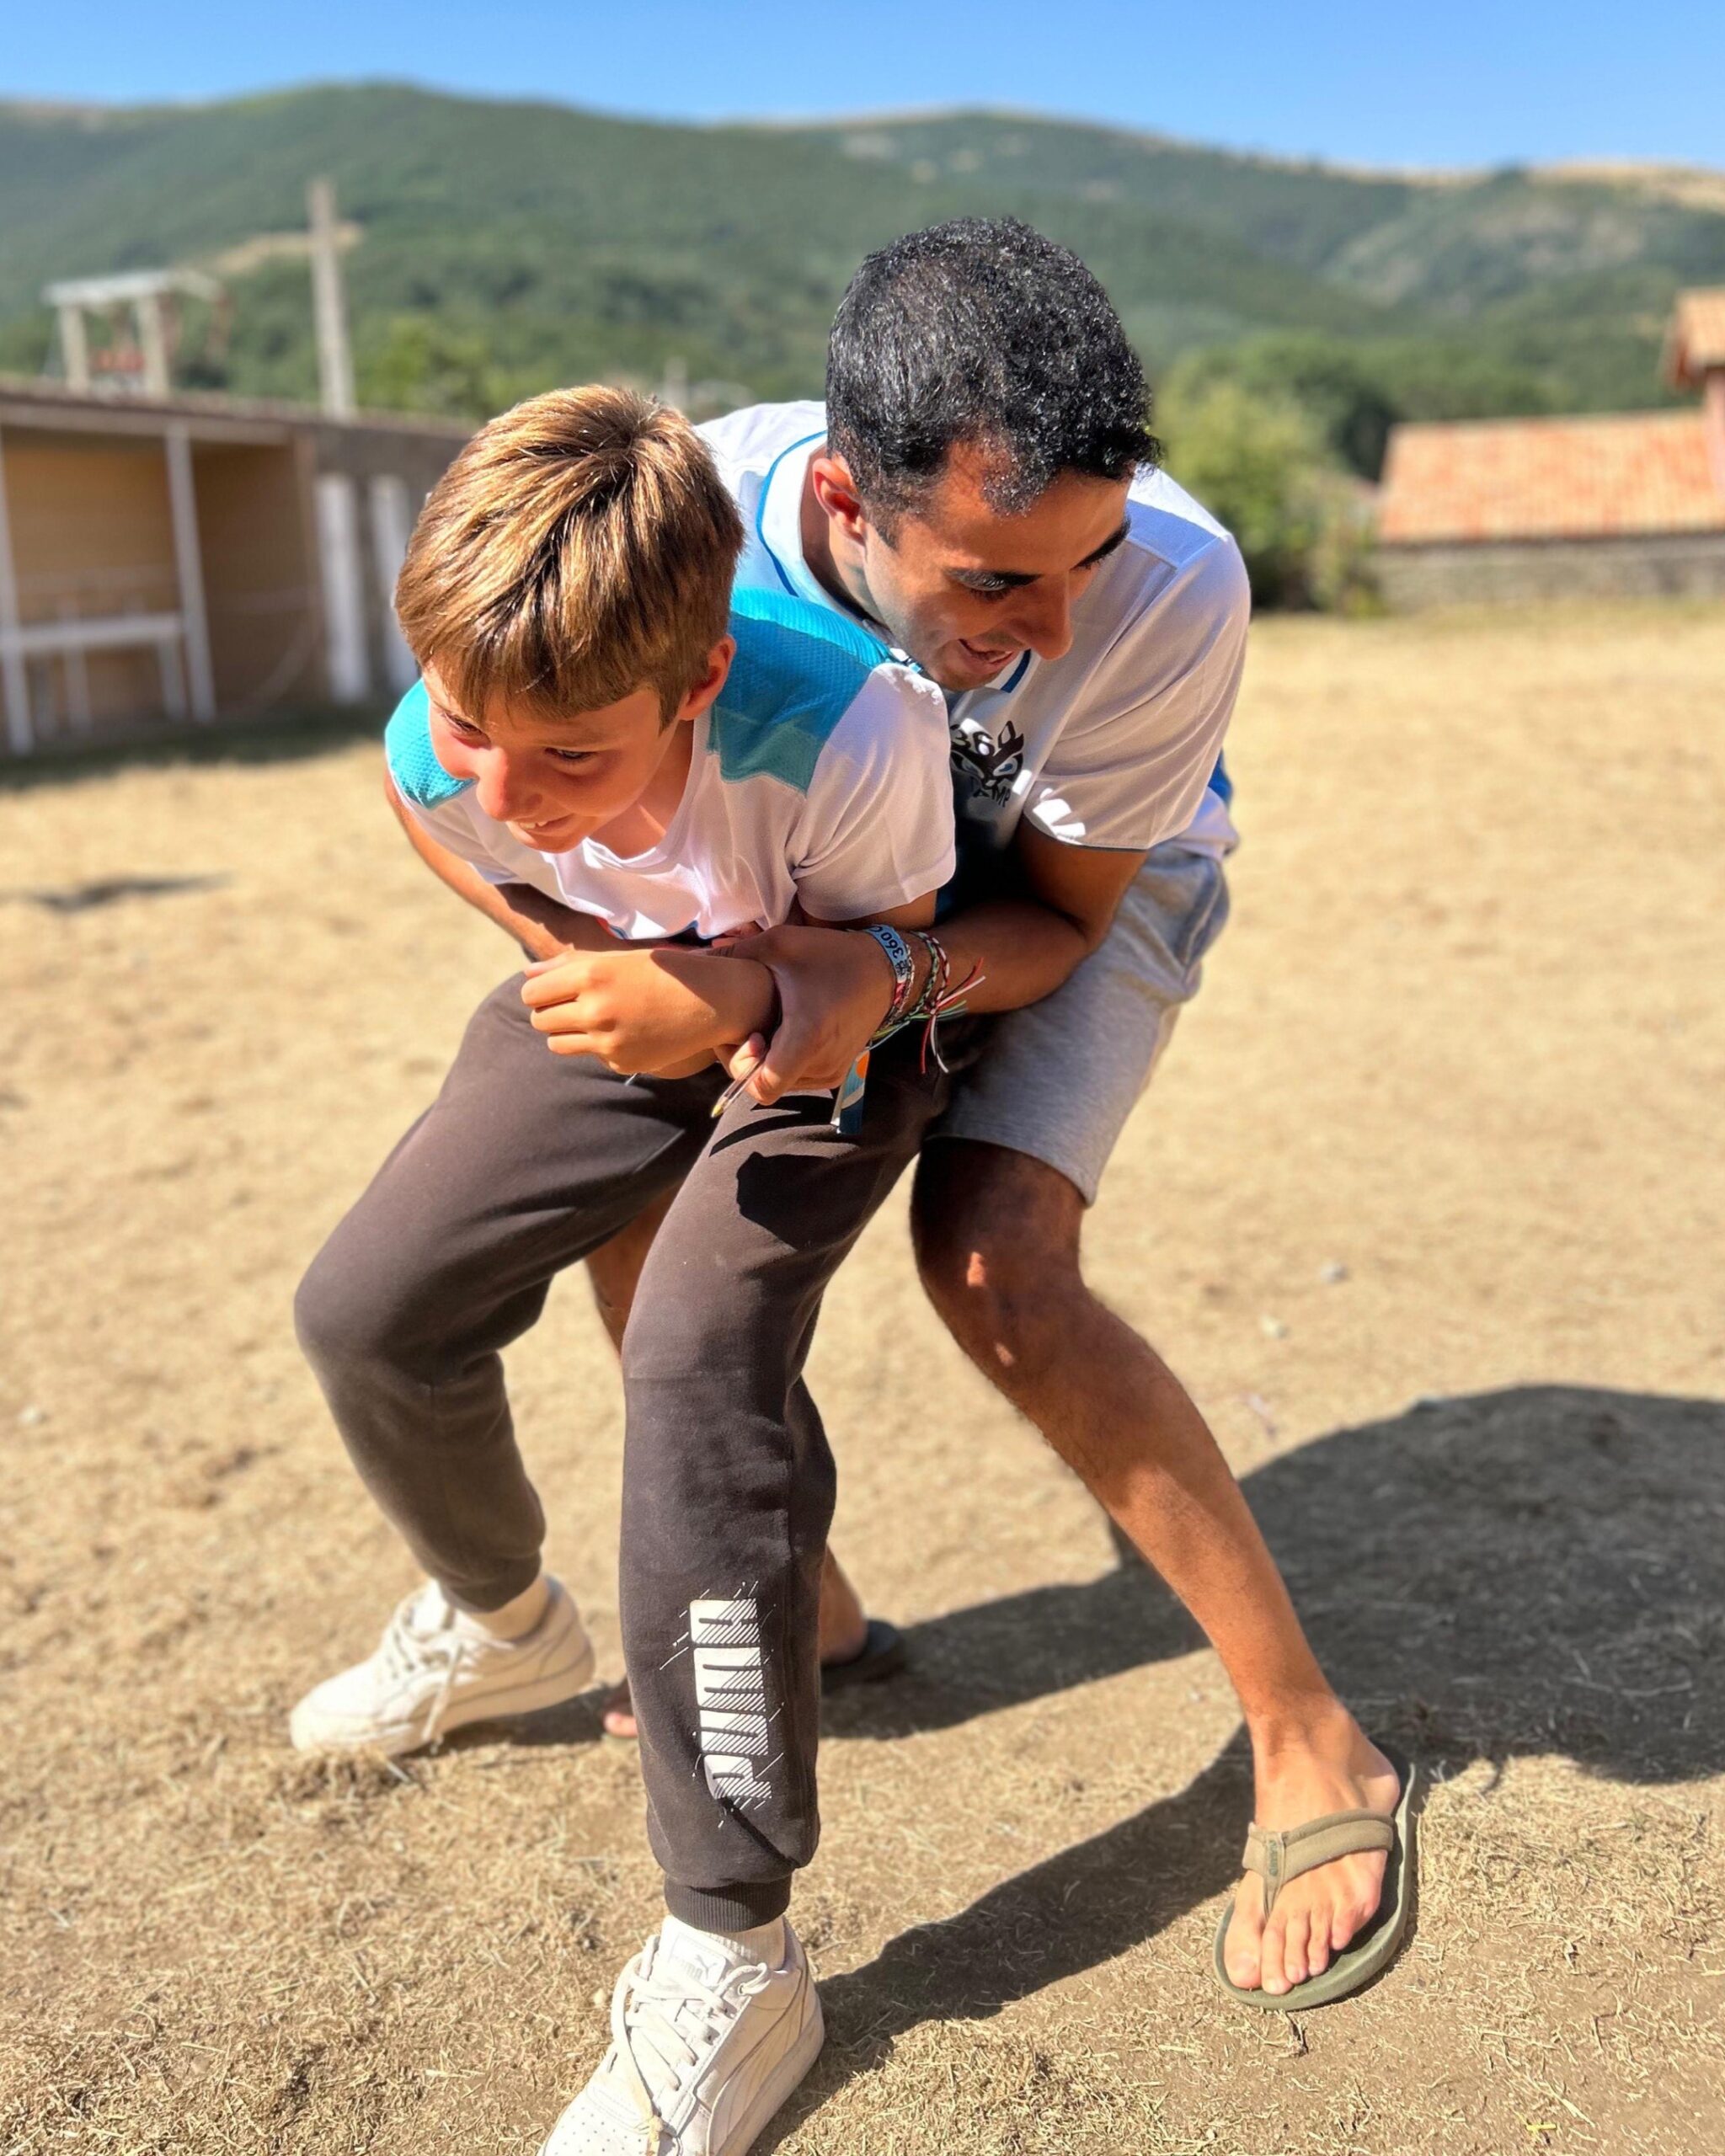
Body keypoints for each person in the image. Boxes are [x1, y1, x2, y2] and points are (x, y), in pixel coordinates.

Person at [541, 220, 1407, 2013]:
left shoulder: (1170, 586)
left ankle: (1308, 1729)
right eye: (1003, 580)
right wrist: (735, 969)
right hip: (799, 882)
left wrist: (867, 981)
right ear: (848, 500)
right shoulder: (684, 525)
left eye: (1088, 551)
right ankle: (813, 1598)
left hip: (1067, 882)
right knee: (630, 1204)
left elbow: (1059, 919)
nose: (1062, 618)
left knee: (996, 1260)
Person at [291, 385, 980, 2153]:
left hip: (822, 1020)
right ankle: (504, 1622)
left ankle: (737, 1947)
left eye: (574, 761)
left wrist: (735, 998)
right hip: (628, 995)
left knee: (688, 1354)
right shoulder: (463, 734)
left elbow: (887, 960)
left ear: (690, 684)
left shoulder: (849, 740)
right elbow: (428, 795)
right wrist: (562, 940)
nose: (507, 785)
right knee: (365, 1306)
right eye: (471, 726)